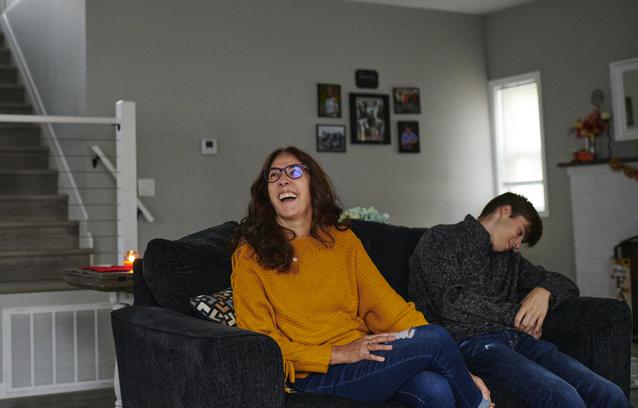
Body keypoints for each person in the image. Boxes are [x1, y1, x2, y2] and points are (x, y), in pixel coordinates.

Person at [231, 146, 491, 407]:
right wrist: (336, 354)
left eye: (294, 171)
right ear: (267, 192)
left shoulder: (342, 240)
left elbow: (389, 309)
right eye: (273, 175)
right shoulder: (250, 256)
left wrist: (463, 373)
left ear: (313, 183)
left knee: (435, 388)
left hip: (361, 356)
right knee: (435, 339)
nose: (283, 180)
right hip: (313, 375)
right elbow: (262, 346)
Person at [408, 193, 630, 407]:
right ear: (505, 211)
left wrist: (544, 291)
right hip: (468, 344)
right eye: (519, 232)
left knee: (609, 393)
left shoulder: (511, 261)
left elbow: (567, 284)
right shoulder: (441, 238)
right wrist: (518, 315)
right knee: (564, 397)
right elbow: (451, 302)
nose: (517, 244)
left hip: (518, 340)